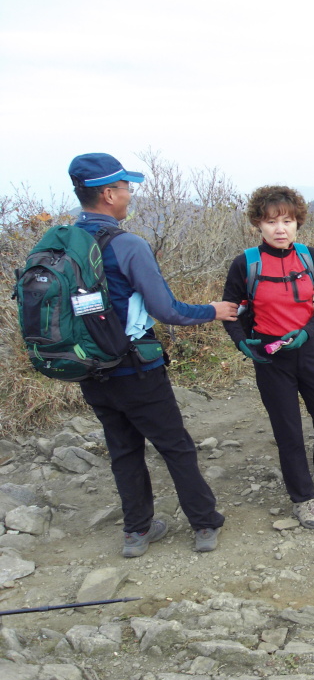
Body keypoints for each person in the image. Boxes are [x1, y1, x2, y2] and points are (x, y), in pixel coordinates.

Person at [68, 152, 236, 557]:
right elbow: (168, 311)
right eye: (126, 187)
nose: (129, 194)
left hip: (88, 369)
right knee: (175, 446)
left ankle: (136, 534)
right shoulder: (127, 245)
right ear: (108, 194)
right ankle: (204, 523)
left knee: (123, 449)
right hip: (135, 368)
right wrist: (212, 311)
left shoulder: (63, 243)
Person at [221, 185, 314, 530]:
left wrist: (308, 332)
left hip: (307, 349)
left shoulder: (310, 258)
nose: (280, 229)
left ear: (298, 223)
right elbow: (230, 312)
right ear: (258, 225)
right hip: (269, 357)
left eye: (288, 221)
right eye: (271, 222)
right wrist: (242, 344)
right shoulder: (245, 264)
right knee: (288, 431)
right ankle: (303, 498)